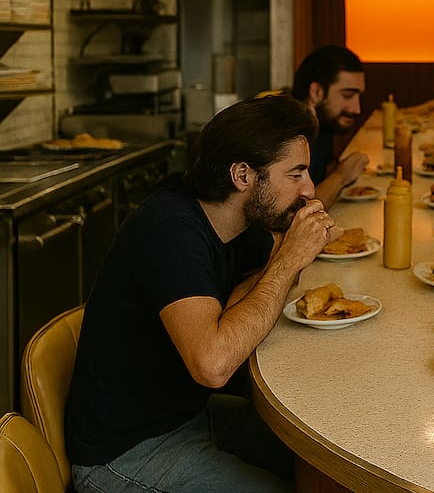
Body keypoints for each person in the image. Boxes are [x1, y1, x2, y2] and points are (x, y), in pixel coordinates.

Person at [66, 95, 342, 492]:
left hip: (187, 416)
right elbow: (213, 364)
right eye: (295, 174)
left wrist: (285, 259)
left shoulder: (235, 221)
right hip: (126, 453)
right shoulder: (170, 230)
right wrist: (289, 260)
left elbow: (247, 299)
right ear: (243, 175)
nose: (309, 189)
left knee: (319, 459)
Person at [291, 45, 369, 208]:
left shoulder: (322, 123)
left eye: (358, 96)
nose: (356, 109)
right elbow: (297, 216)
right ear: (317, 92)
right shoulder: (289, 135)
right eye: (347, 95)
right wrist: (341, 176)